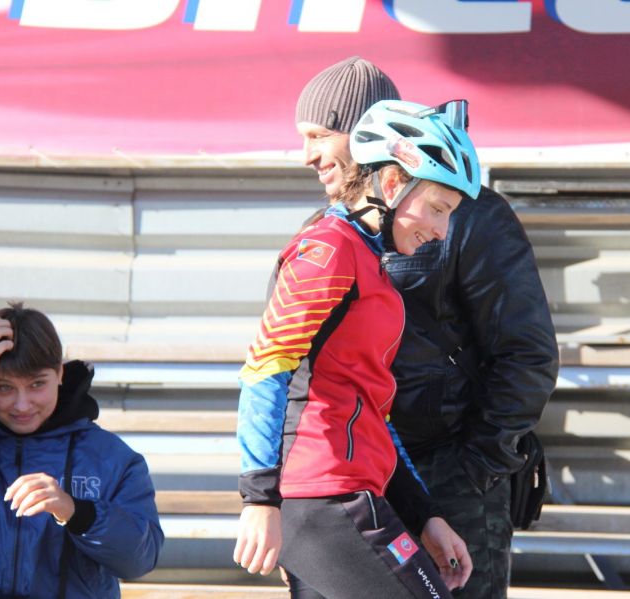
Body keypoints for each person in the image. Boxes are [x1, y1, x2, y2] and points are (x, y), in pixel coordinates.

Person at [295, 57, 560, 598]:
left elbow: (527, 355)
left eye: (320, 136)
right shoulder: (321, 235)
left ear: (366, 130)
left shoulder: (471, 214)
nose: (307, 155)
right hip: (352, 480)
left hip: (449, 478)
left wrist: (470, 471)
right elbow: (290, 372)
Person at [234, 98, 484, 599]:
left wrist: (425, 515)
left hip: (346, 490)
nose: (441, 231)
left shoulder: (369, 262)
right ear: (391, 184)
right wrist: (259, 498)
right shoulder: (329, 250)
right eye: (438, 208)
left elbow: (371, 412)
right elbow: (266, 367)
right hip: (325, 492)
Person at [0, 303, 164, 598]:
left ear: (60, 373)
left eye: (37, 384)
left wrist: (76, 512)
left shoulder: (111, 457)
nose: (22, 405)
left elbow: (140, 560)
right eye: (4, 387)